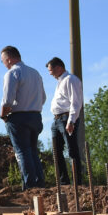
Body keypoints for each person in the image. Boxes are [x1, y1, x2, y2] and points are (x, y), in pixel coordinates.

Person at [0, 46, 47, 190]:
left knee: (22, 152)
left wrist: (3, 115)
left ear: (8, 59)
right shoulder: (35, 73)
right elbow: (43, 98)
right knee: (32, 151)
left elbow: (7, 100)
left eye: (3, 61)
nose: (4, 64)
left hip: (19, 117)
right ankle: (39, 183)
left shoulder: (12, 73)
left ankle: (29, 186)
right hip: (36, 116)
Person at [46, 57, 83, 186]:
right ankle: (64, 181)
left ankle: (77, 183)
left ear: (59, 68)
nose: (50, 74)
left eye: (51, 70)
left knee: (72, 150)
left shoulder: (70, 80)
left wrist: (71, 121)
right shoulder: (60, 82)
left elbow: (76, 102)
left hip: (66, 118)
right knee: (56, 151)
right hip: (56, 120)